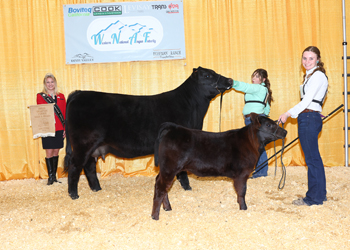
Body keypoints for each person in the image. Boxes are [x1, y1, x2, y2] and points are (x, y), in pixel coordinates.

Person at [279, 46, 328, 206]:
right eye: (304, 58)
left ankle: (314, 198)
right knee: (314, 159)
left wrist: (287, 113)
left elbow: (306, 102)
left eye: (311, 58)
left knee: (312, 159)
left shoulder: (318, 76)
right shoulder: (311, 76)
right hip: (310, 117)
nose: (307, 61)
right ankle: (320, 194)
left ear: (317, 60)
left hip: (308, 118)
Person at [232, 68, 273, 178]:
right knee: (255, 145)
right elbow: (267, 106)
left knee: (258, 146)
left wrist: (233, 83)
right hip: (251, 119)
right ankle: (260, 171)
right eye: (253, 76)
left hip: (256, 119)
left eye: (256, 76)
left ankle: (261, 172)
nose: (253, 78)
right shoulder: (259, 90)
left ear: (263, 79)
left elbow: (246, 86)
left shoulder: (260, 88)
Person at [36, 73, 66, 185]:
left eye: (52, 82)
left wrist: (65, 129)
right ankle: (50, 177)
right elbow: (40, 112)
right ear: (45, 84)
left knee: (56, 151)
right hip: (47, 128)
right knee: (49, 152)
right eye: (48, 82)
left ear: (55, 83)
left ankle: (54, 177)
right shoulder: (40, 96)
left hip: (59, 128)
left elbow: (64, 113)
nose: (50, 84)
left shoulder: (61, 96)